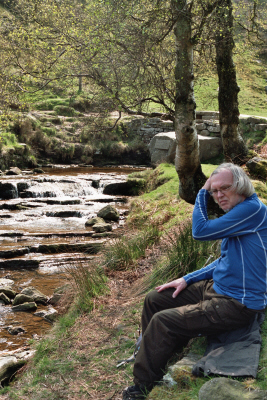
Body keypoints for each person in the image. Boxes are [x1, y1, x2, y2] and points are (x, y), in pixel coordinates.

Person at [122, 162, 267, 400]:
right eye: (214, 191)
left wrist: (201, 192)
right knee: (155, 299)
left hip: (237, 303)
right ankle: (161, 353)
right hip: (217, 288)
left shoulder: (252, 210)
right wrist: (186, 279)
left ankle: (141, 387)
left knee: (163, 322)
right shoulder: (239, 213)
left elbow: (200, 231)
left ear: (241, 186)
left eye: (224, 188)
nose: (218, 195)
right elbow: (225, 260)